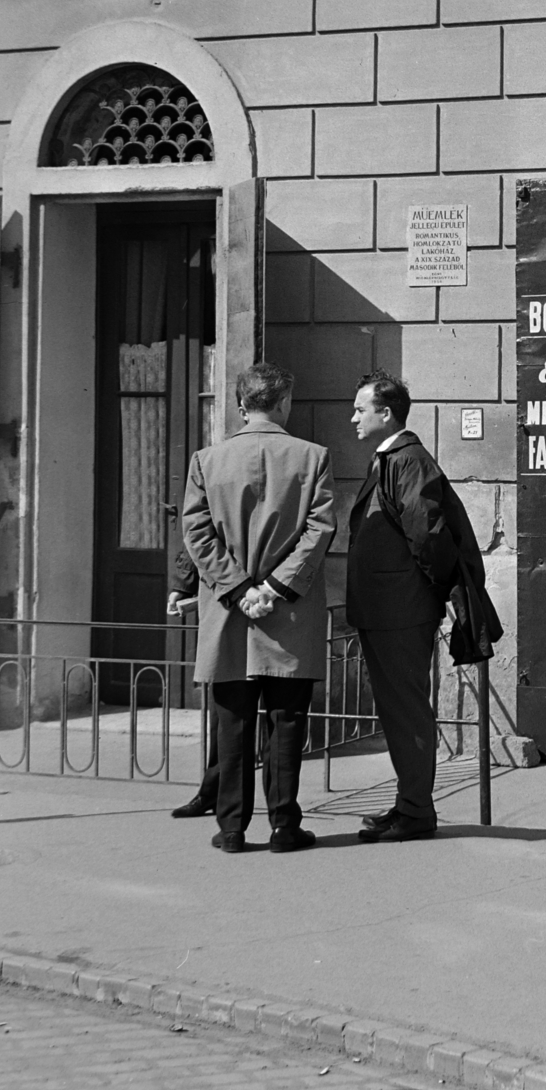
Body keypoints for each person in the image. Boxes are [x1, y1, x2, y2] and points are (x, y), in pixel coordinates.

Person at [180, 362, 336, 855]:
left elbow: (196, 534)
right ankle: (284, 826)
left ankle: (231, 829)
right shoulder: (313, 457)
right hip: (288, 613)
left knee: (233, 724)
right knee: (287, 722)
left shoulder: (207, 460)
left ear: (240, 404)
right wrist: (273, 587)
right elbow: (320, 529)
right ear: (284, 403)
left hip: (229, 613)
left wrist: (238, 587)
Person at [347, 371, 485, 844]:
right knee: (398, 709)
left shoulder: (407, 461)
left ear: (386, 414)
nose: (354, 418)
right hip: (390, 609)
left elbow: (428, 535)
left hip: (400, 611)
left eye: (361, 409)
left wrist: (431, 590)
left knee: (405, 709)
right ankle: (409, 803)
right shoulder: (393, 460)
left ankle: (416, 811)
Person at [165, 550, 219, 820]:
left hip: (270, 593)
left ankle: (281, 814)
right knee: (225, 712)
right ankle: (216, 793)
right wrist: (183, 585)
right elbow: (198, 525)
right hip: (225, 592)